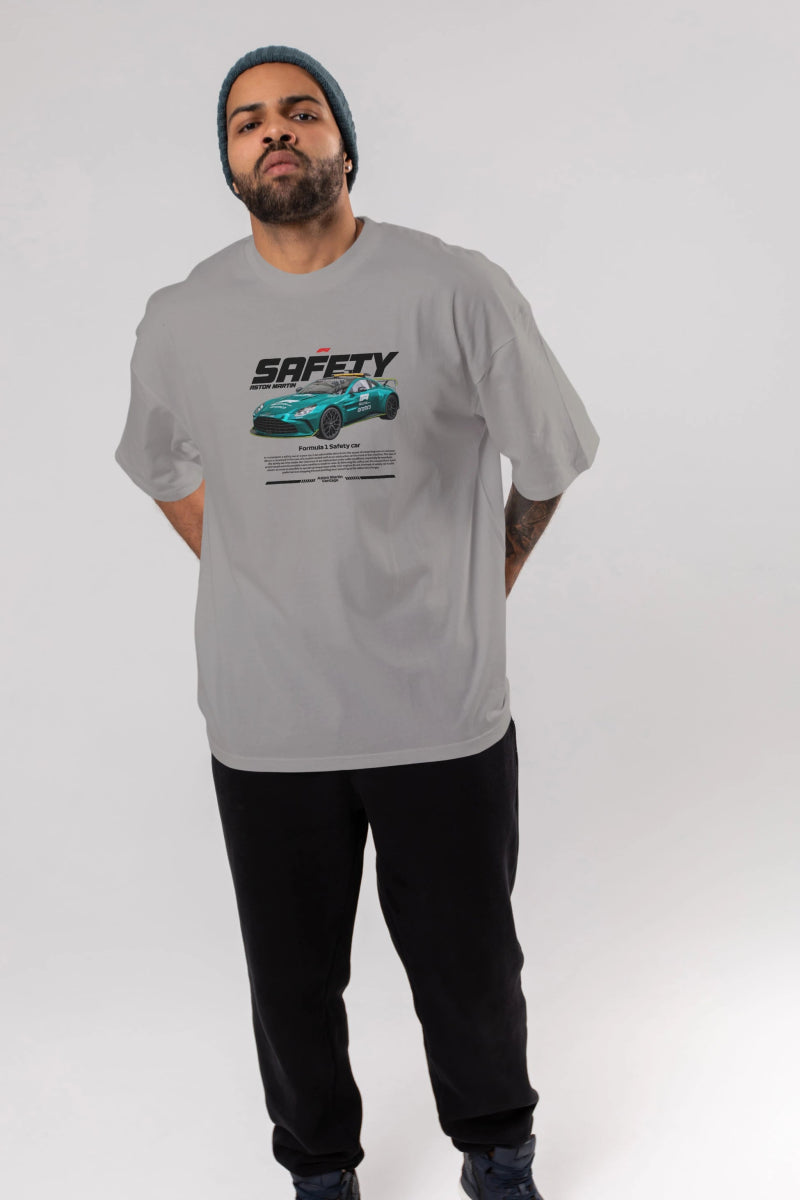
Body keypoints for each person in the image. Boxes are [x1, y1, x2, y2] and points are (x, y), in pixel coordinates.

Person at [113, 44, 600, 1200]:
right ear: (228, 161)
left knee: (468, 967)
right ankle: (320, 1173)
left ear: (343, 141)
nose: (274, 131)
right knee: (290, 982)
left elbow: (549, 457)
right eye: (247, 121)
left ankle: (497, 1155)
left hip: (437, 709)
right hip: (266, 720)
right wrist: (251, 565)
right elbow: (160, 465)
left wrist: (490, 574)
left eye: (300, 111)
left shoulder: (452, 288)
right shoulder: (183, 316)